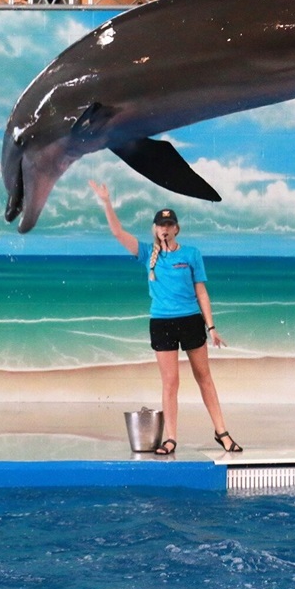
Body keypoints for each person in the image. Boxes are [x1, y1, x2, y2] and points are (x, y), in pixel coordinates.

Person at [89, 181, 243, 456]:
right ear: (155, 229)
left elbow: (201, 292)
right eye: (161, 225)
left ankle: (222, 432)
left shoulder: (191, 254)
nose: (165, 229)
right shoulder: (147, 253)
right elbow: (117, 232)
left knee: (204, 377)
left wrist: (211, 327)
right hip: (161, 323)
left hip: (191, 320)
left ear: (176, 229)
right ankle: (171, 438)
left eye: (169, 225)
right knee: (170, 383)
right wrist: (106, 202)